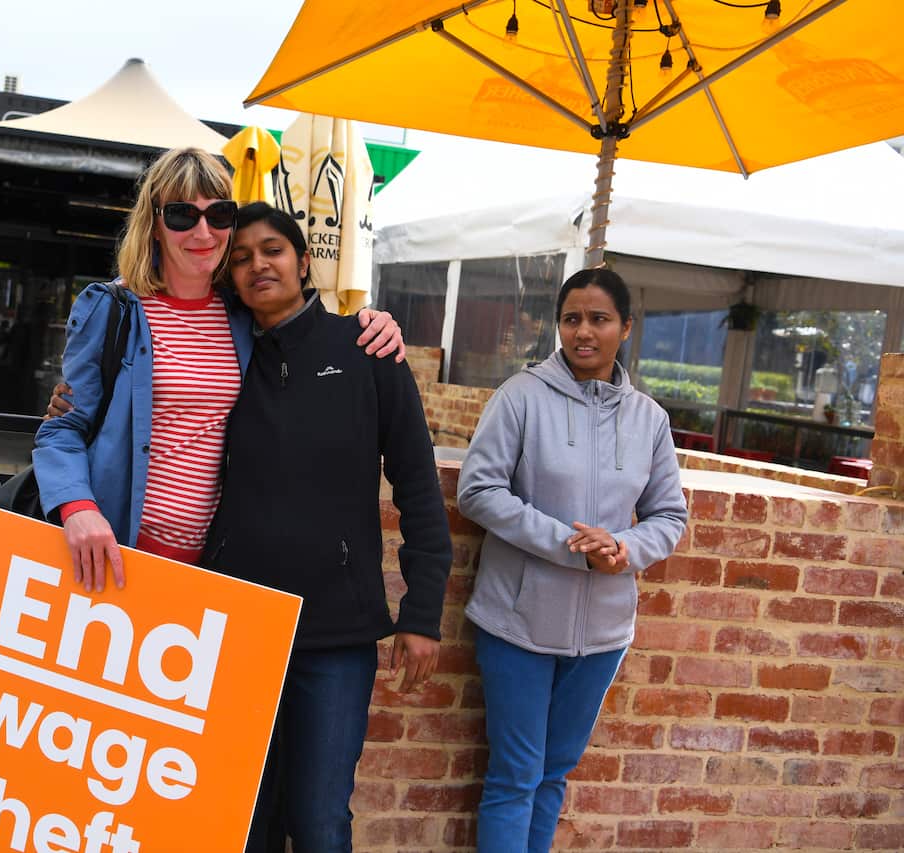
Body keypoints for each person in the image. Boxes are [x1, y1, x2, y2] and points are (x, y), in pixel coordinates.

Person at [33, 147, 404, 592]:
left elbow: (304, 334)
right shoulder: (113, 310)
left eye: (219, 214)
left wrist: (370, 321)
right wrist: (79, 509)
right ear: (154, 223)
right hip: (113, 551)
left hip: (211, 567)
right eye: (182, 215)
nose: (203, 231)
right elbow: (61, 429)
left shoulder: (242, 316)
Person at [201, 202, 451, 852]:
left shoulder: (366, 348)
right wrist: (72, 399)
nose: (258, 264)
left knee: (318, 822)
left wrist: (421, 613)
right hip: (236, 624)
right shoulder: (223, 359)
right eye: (241, 256)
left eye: (272, 250)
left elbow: (420, 489)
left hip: (335, 633)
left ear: (303, 260)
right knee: (239, 819)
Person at [456, 268, 687, 853]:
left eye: (599, 319)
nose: (583, 332)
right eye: (571, 319)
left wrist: (625, 550)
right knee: (515, 777)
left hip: (604, 631)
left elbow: (670, 515)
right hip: (518, 622)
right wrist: (570, 546)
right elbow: (479, 490)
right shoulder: (520, 396)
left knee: (554, 775)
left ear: (626, 328)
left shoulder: (649, 420)